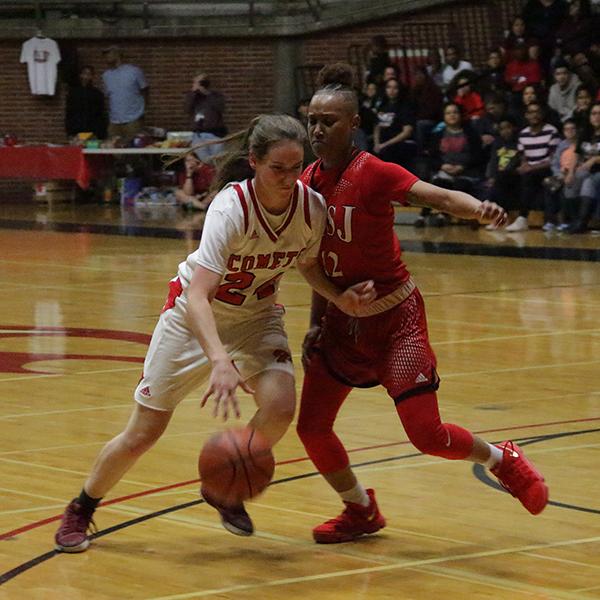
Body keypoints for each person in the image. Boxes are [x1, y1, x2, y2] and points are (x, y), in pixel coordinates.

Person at [53, 113, 377, 553]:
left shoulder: (311, 208)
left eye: (294, 167)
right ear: (254, 163)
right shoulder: (230, 208)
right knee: (144, 432)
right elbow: (199, 295)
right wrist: (220, 361)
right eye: (275, 168)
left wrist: (339, 298)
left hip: (256, 317)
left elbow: (306, 265)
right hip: (191, 318)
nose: (286, 178)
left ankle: (224, 486)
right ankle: (82, 507)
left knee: (280, 406)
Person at [296, 63, 549, 545]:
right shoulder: (306, 183)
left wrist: (479, 208)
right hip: (341, 321)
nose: (317, 129)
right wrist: (315, 321)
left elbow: (437, 197)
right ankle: (361, 510)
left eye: (329, 120)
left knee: (426, 435)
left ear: (353, 125)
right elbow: (316, 263)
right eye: (313, 119)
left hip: (396, 319)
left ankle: (502, 460)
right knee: (311, 428)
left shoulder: (372, 172)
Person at [506, 101, 560, 231]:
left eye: (537, 112)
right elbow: (522, 156)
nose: (534, 115)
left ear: (542, 114)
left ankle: (522, 218)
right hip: (530, 168)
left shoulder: (552, 131)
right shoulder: (523, 133)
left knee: (528, 177)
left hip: (546, 169)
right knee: (504, 176)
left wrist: (531, 168)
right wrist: (524, 165)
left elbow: (553, 161)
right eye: (531, 112)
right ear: (526, 115)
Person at [101, 46, 148, 141]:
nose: (106, 57)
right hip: (114, 121)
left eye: (109, 54)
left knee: (133, 149)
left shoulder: (134, 71)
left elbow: (145, 90)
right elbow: (107, 96)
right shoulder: (106, 75)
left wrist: (143, 110)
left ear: (117, 54)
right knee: (114, 150)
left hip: (133, 119)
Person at [184, 72, 227, 163]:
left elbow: (220, 107)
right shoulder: (193, 97)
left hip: (215, 135)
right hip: (199, 135)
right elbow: (187, 108)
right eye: (196, 82)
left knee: (217, 162)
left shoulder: (216, 96)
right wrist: (194, 92)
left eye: (200, 82)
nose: (197, 85)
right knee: (205, 162)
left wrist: (206, 93)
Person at [65, 65, 107, 140]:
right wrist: (70, 132)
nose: (86, 76)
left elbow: (100, 115)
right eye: (84, 73)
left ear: (92, 76)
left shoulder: (97, 94)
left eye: (89, 74)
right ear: (80, 75)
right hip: (76, 131)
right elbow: (69, 113)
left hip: (93, 132)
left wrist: (100, 133)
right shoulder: (73, 93)